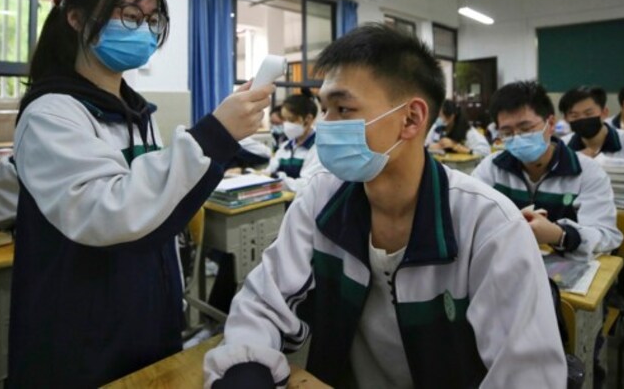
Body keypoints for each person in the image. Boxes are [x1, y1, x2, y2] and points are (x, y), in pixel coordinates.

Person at [204, 25, 566, 388]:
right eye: (324, 108)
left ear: (411, 119)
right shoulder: (322, 198)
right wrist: (245, 370)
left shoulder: (489, 225)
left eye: (343, 108)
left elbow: (528, 376)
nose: (327, 125)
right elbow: (264, 301)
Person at [0, 0, 273, 387]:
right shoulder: (52, 113)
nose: (144, 30)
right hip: (80, 330)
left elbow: (156, 203)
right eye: (130, 16)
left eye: (152, 19)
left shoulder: (137, 113)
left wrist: (220, 145)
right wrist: (213, 135)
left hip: (145, 313)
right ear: (78, 18)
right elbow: (111, 212)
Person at [472, 81, 622, 261]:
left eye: (526, 128)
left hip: (565, 267)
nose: (517, 138)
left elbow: (606, 235)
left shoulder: (586, 172)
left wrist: (559, 235)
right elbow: (470, 215)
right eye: (507, 132)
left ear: (550, 123)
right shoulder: (492, 168)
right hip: (507, 262)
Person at [267, 93, 326, 192]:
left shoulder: (318, 148)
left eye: (291, 120)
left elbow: (306, 184)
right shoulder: (286, 146)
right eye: (284, 120)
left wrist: (278, 179)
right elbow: (270, 170)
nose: (286, 125)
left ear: (308, 119)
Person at [425, 99, 490, 156]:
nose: (439, 119)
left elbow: (485, 151)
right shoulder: (436, 129)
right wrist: (430, 147)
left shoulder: (468, 132)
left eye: (441, 116)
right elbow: (423, 146)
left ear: (452, 116)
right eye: (437, 116)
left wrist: (455, 146)